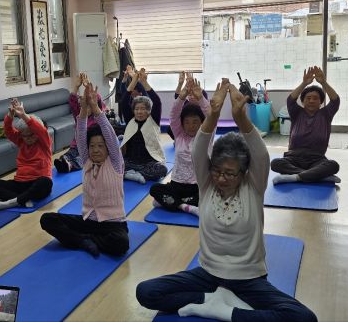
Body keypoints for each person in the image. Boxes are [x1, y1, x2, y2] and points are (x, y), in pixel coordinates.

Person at [136, 80, 318, 322]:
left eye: (230, 173)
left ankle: (225, 310)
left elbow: (261, 154)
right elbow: (199, 148)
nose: (222, 178)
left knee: (303, 318)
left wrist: (240, 117)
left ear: (243, 172)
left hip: (249, 279)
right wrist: (212, 113)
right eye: (217, 171)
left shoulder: (253, 188)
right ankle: (207, 299)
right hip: (209, 275)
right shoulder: (207, 185)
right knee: (146, 292)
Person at [40, 82, 130, 258]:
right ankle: (84, 240)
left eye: (100, 146)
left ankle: (83, 240)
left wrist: (95, 108)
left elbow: (110, 135)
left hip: (112, 223)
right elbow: (81, 134)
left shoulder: (115, 162)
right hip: (88, 221)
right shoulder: (87, 161)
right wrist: (83, 109)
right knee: (47, 219)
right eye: (92, 146)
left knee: (121, 244)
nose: (95, 150)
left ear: (108, 149)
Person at [150, 75, 210, 216]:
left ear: (202, 122)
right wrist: (182, 96)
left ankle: (172, 202)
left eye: (195, 122)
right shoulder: (179, 135)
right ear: (182, 124)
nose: (191, 126)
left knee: (210, 196)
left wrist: (201, 98)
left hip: (197, 186)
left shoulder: (206, 136)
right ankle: (185, 206)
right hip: (177, 184)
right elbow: (173, 115)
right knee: (154, 189)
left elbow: (210, 115)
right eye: (187, 122)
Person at [271, 66, 341, 184]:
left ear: (321, 102)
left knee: (333, 165)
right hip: (293, 158)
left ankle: (296, 177)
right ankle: (316, 176)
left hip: (317, 160)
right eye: (308, 98)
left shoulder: (326, 114)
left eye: (315, 98)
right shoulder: (296, 112)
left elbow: (335, 101)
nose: (311, 101)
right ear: (303, 101)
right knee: (275, 163)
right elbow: (290, 100)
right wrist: (304, 83)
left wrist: (323, 83)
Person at [0, 98, 53, 210]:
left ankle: (14, 201)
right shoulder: (21, 141)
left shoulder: (44, 142)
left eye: (31, 135)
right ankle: (22, 199)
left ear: (37, 133)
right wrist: (10, 115)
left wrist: (23, 115)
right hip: (20, 183)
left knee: (46, 182)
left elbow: (40, 129)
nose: (28, 138)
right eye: (25, 136)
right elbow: (8, 131)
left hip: (37, 182)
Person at [120, 67, 168, 183]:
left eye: (143, 109)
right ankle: (134, 174)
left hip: (148, 162)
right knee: (111, 164)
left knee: (162, 170)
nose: (140, 112)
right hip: (130, 161)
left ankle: (130, 174)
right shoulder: (130, 119)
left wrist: (144, 82)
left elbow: (157, 101)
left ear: (148, 111)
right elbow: (124, 101)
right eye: (137, 109)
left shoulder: (153, 120)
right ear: (133, 110)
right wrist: (133, 81)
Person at [54, 72, 106, 173]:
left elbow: (98, 100)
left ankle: (70, 165)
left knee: (83, 159)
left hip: (88, 147)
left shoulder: (97, 118)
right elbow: (72, 101)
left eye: (88, 106)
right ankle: (64, 162)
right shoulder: (79, 116)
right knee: (66, 155)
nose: (85, 108)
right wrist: (76, 86)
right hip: (76, 146)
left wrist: (88, 86)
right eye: (83, 106)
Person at [167, 71, 209, 141]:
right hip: (183, 132)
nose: (192, 96)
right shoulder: (186, 102)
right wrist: (180, 83)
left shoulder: (203, 102)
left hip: (200, 132)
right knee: (170, 128)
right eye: (190, 95)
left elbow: (209, 115)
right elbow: (177, 97)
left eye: (194, 94)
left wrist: (190, 79)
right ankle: (177, 140)